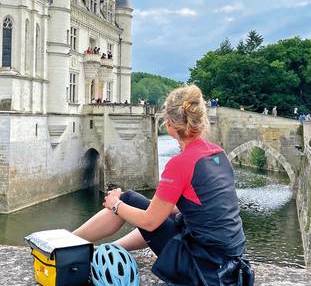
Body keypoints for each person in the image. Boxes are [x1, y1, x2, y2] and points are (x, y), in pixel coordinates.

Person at [73, 85, 252, 285]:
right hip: (233, 266)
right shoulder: (218, 153)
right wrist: (155, 207)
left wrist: (116, 204)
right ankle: (110, 248)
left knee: (129, 200)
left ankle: (69, 242)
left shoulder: (180, 163)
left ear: (168, 124)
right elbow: (199, 208)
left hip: (203, 270)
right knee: (171, 215)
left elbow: (150, 222)